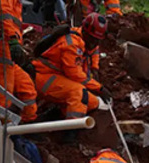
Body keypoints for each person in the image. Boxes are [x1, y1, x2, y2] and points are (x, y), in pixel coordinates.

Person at [32, 14, 110, 142]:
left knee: (92, 102)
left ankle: (54, 114)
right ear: (85, 32)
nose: (94, 43)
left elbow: (94, 50)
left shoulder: (86, 40)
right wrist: (99, 88)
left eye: (97, 40)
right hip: (44, 77)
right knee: (78, 92)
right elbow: (74, 74)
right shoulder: (72, 44)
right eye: (93, 39)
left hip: (58, 78)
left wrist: (95, 68)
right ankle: (70, 132)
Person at [0, 0, 38, 122]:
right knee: (3, 97)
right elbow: (2, 15)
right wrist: (12, 39)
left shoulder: (16, 3)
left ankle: (27, 127)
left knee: (27, 87)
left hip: (7, 52)